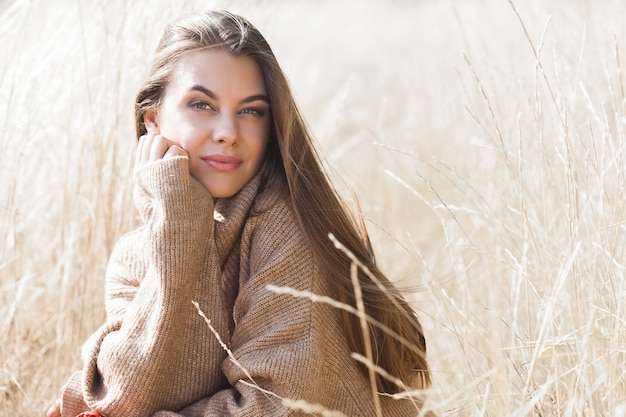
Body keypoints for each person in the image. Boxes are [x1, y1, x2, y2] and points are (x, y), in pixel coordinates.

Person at [47, 10, 431, 417]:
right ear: (153, 120)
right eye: (202, 104)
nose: (228, 130)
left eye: (251, 110)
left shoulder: (289, 229)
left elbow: (277, 408)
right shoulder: (134, 256)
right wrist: (180, 224)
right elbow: (125, 395)